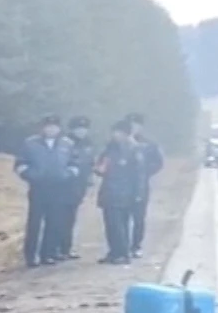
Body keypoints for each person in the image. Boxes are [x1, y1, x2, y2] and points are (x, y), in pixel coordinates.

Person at [14, 117, 78, 268]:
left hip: (59, 188)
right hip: (38, 188)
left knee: (54, 222)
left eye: (54, 127)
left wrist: (67, 175)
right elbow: (20, 163)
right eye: (48, 127)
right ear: (42, 128)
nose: (51, 130)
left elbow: (75, 164)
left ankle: (47, 254)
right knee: (34, 223)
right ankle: (31, 256)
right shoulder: (30, 143)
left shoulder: (67, 144)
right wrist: (30, 175)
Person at [96, 120, 144, 265]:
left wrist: (138, 193)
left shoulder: (133, 149)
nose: (115, 135)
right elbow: (100, 166)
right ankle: (114, 252)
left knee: (120, 224)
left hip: (125, 192)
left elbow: (139, 174)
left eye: (119, 132)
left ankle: (123, 253)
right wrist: (99, 169)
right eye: (114, 132)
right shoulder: (110, 148)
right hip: (109, 191)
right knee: (110, 225)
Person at [52, 116, 93, 260]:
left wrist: (88, 182)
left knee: (70, 219)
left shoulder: (88, 144)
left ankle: (66, 248)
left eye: (84, 129)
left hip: (78, 187)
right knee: (58, 219)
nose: (82, 131)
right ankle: (55, 249)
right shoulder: (64, 143)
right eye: (78, 128)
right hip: (63, 186)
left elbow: (89, 164)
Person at [126, 113, 164, 258]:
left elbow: (158, 163)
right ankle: (123, 245)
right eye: (131, 125)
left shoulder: (149, 144)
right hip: (122, 186)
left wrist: (145, 172)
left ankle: (136, 245)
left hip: (141, 185)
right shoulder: (120, 142)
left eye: (137, 125)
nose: (134, 128)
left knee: (139, 218)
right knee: (121, 217)